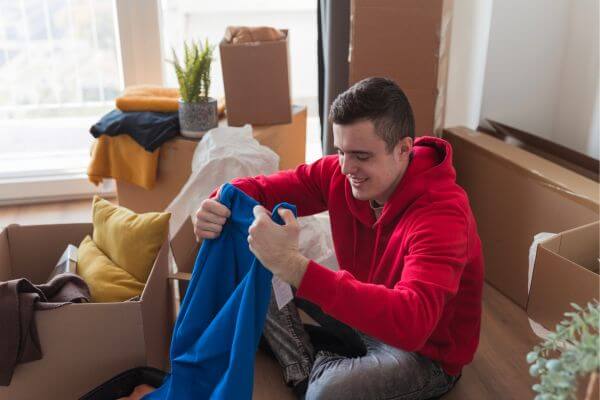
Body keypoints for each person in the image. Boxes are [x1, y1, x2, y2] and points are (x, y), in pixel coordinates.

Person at [192, 77, 484, 399]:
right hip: (362, 316)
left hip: (423, 353)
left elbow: (412, 323)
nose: (346, 168)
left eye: (361, 156)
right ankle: (306, 371)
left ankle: (316, 370)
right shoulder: (339, 174)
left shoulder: (443, 214)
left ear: (403, 149)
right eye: (340, 151)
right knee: (253, 248)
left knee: (330, 392)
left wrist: (295, 266)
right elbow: (258, 189)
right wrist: (217, 203)